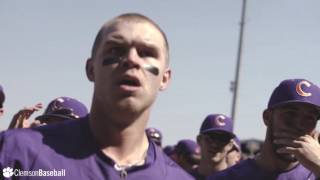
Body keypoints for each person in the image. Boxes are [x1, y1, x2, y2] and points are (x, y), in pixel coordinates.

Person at [0, 13, 194, 179]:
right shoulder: (18, 153)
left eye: (146, 53)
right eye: (116, 49)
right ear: (91, 68)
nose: (131, 60)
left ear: (164, 78)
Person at [208, 79, 320, 180]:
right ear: (267, 118)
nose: (299, 125)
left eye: (309, 118)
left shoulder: (315, 173)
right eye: (290, 114)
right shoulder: (229, 177)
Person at [191, 114, 235, 180]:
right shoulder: (184, 177)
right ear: (199, 140)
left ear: (230, 145)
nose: (215, 145)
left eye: (222, 139)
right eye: (210, 138)